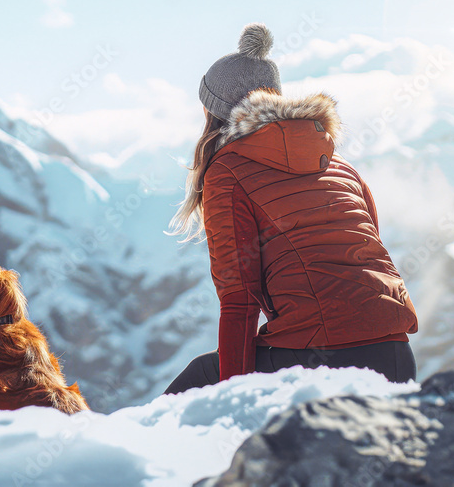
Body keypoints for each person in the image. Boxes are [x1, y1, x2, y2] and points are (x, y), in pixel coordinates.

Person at [164, 23, 418, 395]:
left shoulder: (228, 172)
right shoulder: (340, 164)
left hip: (324, 357)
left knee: (196, 384)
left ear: (215, 115)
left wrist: (231, 398)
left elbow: (240, 300)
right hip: (396, 355)